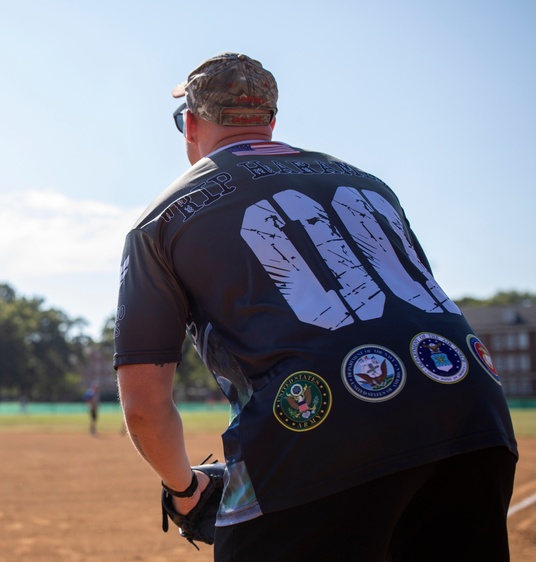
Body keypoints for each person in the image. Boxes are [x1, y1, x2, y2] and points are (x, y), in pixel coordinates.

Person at [113, 52, 517, 561]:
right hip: (472, 411)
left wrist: (184, 489)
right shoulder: (370, 185)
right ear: (271, 120)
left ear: (190, 124)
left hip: (319, 435)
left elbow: (145, 407)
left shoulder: (165, 217)